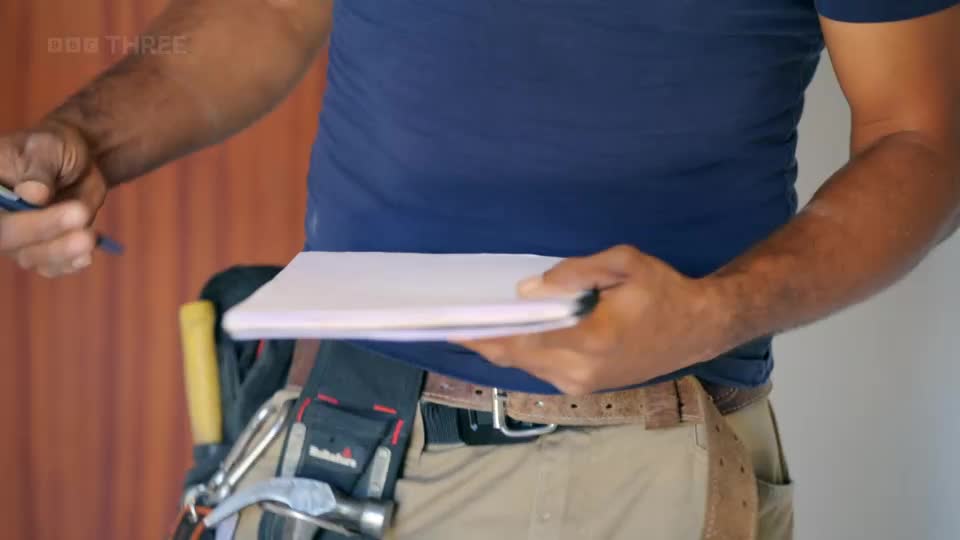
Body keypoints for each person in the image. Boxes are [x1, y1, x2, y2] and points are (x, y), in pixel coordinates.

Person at [2, 0, 958, 538]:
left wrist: (718, 313)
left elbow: (925, 139)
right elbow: (273, 11)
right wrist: (91, 136)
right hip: (334, 439)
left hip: (619, 466)